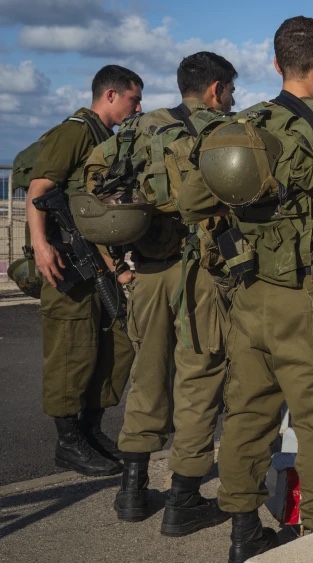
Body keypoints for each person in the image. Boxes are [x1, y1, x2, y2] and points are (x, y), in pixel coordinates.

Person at [180, 16, 313, 563]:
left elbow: (193, 203)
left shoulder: (235, 125)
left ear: (274, 62)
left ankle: (244, 531)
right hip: (308, 299)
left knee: (247, 413)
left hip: (247, 293)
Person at [84, 51, 238, 535]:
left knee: (146, 377)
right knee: (199, 380)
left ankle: (131, 491)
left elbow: (91, 185)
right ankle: (184, 499)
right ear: (215, 89)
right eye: (229, 91)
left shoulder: (136, 128)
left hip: (146, 273)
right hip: (202, 276)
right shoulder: (223, 131)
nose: (232, 100)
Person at [25, 65, 142, 477]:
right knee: (71, 352)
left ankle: (91, 431)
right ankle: (68, 442)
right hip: (66, 263)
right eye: (133, 98)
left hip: (95, 263)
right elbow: (39, 190)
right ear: (110, 95)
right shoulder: (75, 131)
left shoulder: (103, 138)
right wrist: (41, 246)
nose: (138, 106)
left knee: (114, 346)